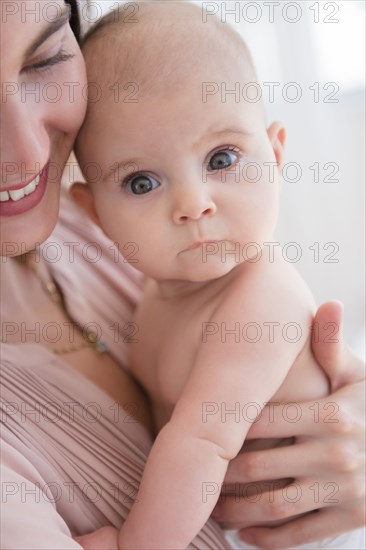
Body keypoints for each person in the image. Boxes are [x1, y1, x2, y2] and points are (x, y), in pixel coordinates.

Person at [0, 1, 364, 549]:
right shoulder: (154, 273)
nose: (194, 205)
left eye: (222, 159)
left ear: (276, 152)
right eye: (143, 182)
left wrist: (135, 545)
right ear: (96, 212)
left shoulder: (261, 297)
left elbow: (200, 443)